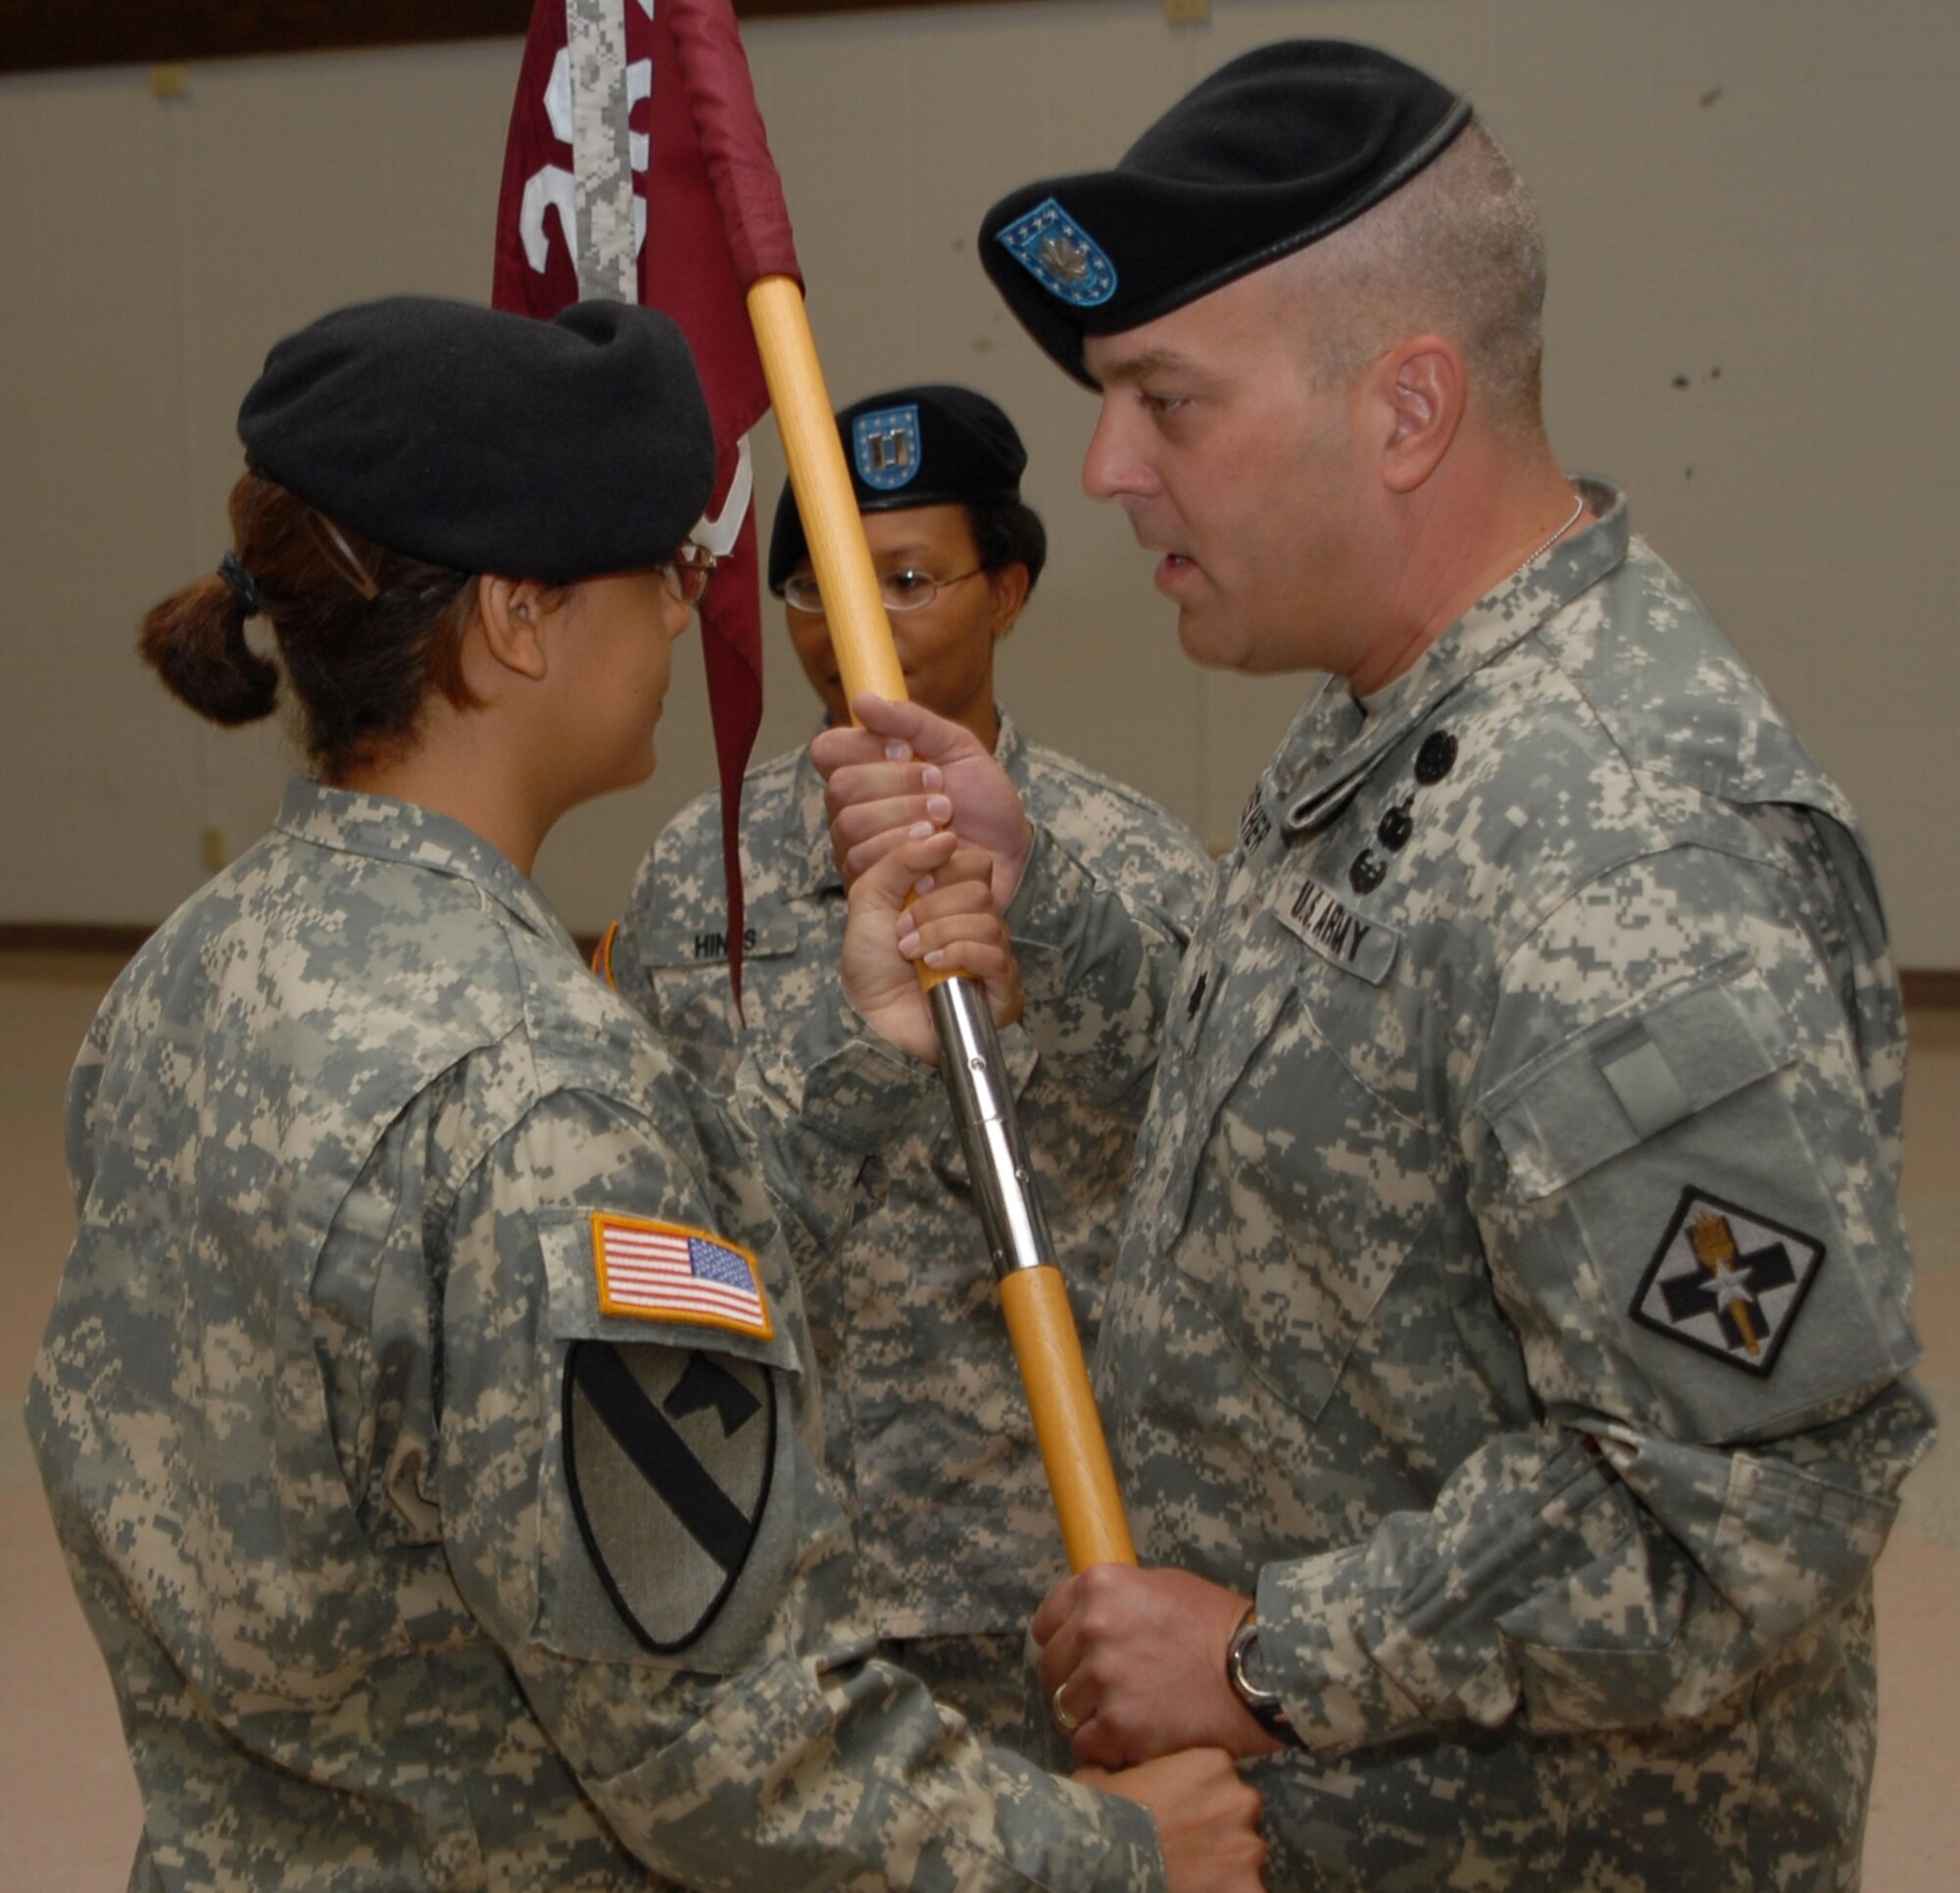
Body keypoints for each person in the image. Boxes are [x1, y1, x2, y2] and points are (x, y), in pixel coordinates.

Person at [814, 40, 1936, 1892]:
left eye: (1167, 403)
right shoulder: (1409, 711)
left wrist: (1264, 1654)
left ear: (1406, 410)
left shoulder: (1617, 834)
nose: (1103, 469)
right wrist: (1051, 929)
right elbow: (1331, 1134)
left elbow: (1752, 1499)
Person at [24, 296, 1266, 1891]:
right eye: (663, 574)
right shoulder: (535, 1085)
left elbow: (541, 1310)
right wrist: (1109, 1851)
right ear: (522, 618)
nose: (693, 622)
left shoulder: (195, 971)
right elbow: (727, 1756)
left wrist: (853, 1056)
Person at [598, 382, 1210, 1750]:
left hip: (1044, 1560)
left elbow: (1203, 1159)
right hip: (783, 1551)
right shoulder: (704, 878)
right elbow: (655, 1204)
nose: (856, 628)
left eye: (910, 580)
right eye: (816, 587)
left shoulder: (1131, 866)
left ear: (1011, 589)